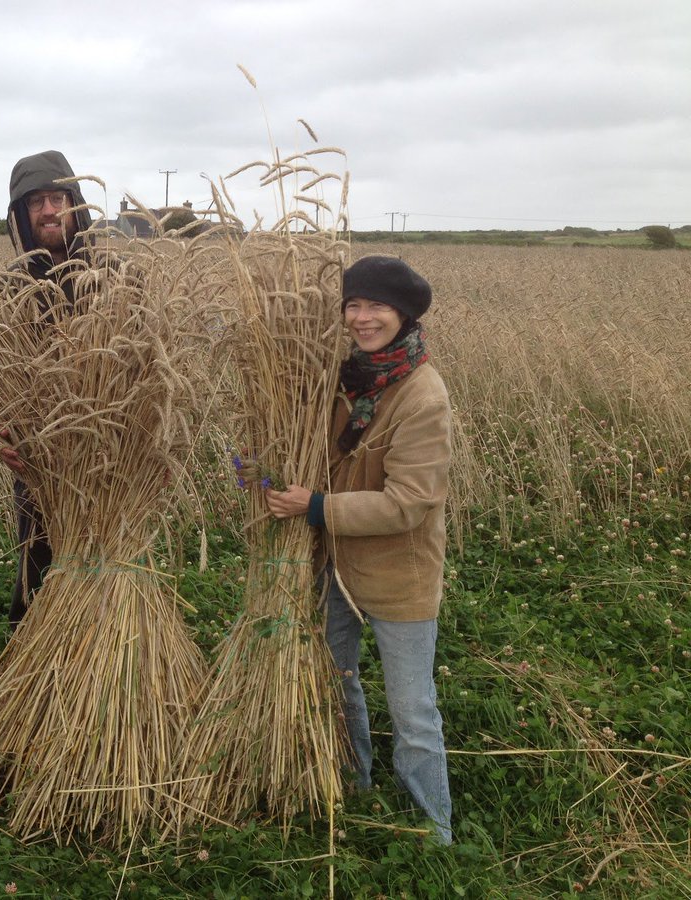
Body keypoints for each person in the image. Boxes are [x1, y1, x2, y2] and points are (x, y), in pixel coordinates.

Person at [264, 255, 454, 844]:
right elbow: (307, 453)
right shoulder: (341, 379)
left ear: (403, 314)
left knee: (412, 709)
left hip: (401, 572)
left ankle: (436, 831)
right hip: (332, 565)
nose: (363, 318)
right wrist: (262, 465)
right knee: (337, 681)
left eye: (376, 306)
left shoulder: (423, 395)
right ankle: (356, 792)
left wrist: (315, 508)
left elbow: (408, 503)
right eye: (353, 305)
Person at [0, 150, 94, 626]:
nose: (50, 210)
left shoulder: (115, 278)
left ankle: (103, 659)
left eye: (58, 197)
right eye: (36, 202)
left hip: (110, 460)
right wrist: (0, 432)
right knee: (37, 567)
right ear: (20, 213)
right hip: (36, 462)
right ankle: (31, 660)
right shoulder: (9, 288)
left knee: (103, 566)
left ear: (76, 203)